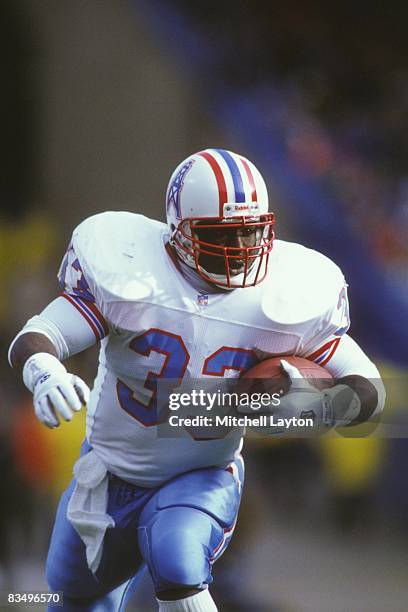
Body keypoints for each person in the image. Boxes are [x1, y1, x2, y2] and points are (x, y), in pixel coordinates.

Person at [9, 148, 385, 611]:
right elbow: (40, 334)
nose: (241, 249)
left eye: (251, 232)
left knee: (178, 558)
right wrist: (45, 372)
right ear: (178, 230)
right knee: (73, 595)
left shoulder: (288, 293)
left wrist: (319, 407)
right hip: (108, 471)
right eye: (221, 235)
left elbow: (367, 386)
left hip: (202, 472)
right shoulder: (131, 270)